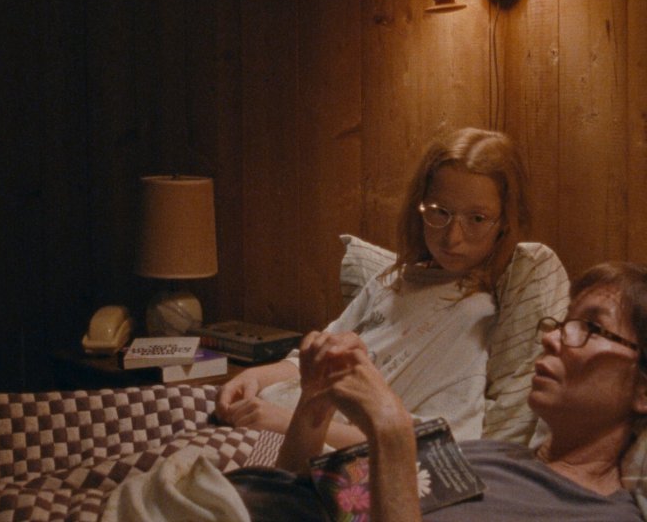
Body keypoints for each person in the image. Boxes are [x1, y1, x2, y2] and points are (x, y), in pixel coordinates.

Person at [216, 126, 562, 445]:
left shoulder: (477, 313)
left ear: (504, 222)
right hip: (269, 408)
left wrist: (290, 423)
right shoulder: (393, 281)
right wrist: (256, 376)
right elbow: (319, 355)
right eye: (439, 212)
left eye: (477, 219)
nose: (453, 237)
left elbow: (436, 440)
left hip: (306, 437)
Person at [272, 261, 647, 521]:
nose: (552, 338)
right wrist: (315, 401)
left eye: (591, 328)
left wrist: (390, 428)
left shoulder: (601, 514)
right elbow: (288, 499)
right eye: (564, 323)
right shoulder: (486, 453)